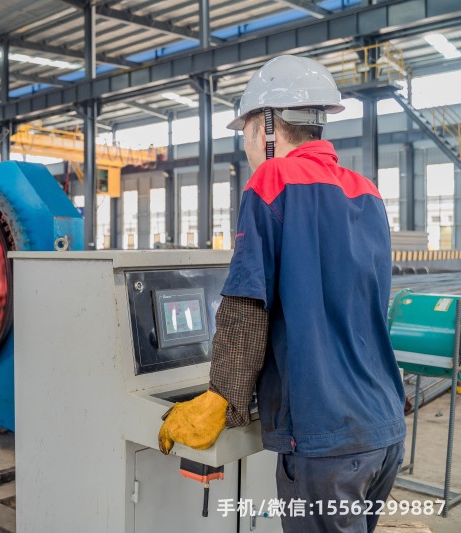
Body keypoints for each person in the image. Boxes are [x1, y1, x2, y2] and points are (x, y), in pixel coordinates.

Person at [158, 55, 406, 532]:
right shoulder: (366, 191)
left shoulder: (273, 180)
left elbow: (246, 304)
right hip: (383, 427)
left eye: (246, 131)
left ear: (266, 125)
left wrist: (223, 398)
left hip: (325, 439)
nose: (247, 145)